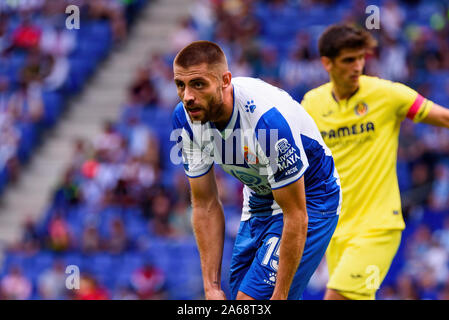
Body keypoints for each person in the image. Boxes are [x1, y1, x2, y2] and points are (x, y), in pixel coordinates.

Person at [171, 41, 342, 300]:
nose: (187, 96)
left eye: (198, 84)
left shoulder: (266, 123)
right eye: (180, 85)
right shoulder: (185, 119)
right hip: (260, 198)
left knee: (250, 301)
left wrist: (280, 295)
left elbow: (296, 214)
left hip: (312, 198)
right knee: (240, 293)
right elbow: (205, 203)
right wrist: (211, 287)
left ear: (225, 81)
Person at [301, 24, 449, 300]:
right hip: (336, 230)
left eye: (360, 58)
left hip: (377, 227)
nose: (357, 66)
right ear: (326, 63)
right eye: (348, 60)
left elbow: (443, 117)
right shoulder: (312, 104)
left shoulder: (387, 95)